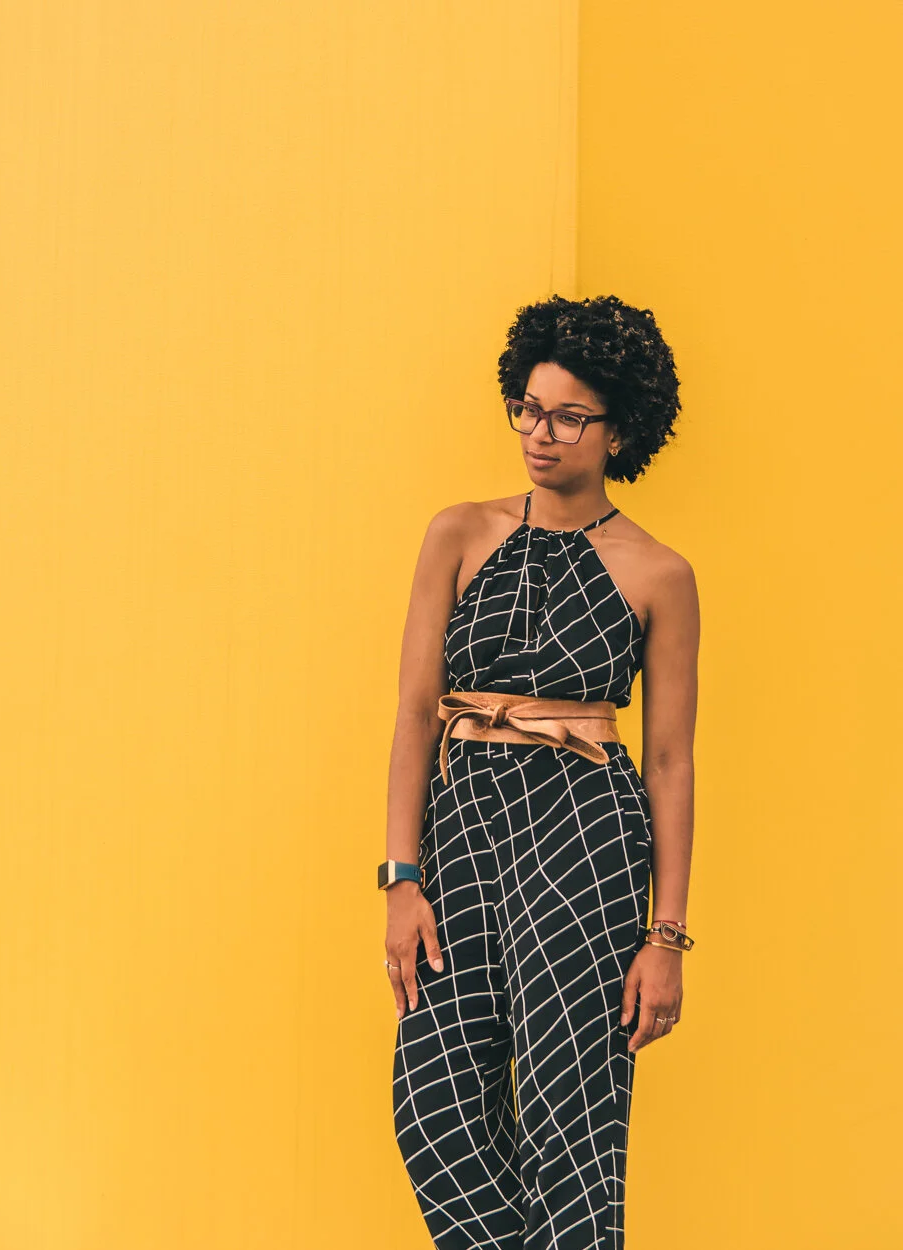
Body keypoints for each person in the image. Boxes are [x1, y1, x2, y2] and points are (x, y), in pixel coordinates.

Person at [378, 293, 699, 1249]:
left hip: (584, 841)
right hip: (463, 832)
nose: (540, 434)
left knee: (573, 1123)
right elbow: (412, 713)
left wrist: (668, 936)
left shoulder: (659, 574)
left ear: (619, 428)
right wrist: (400, 876)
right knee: (434, 1107)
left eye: (567, 416)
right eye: (528, 407)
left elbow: (674, 762)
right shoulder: (458, 533)